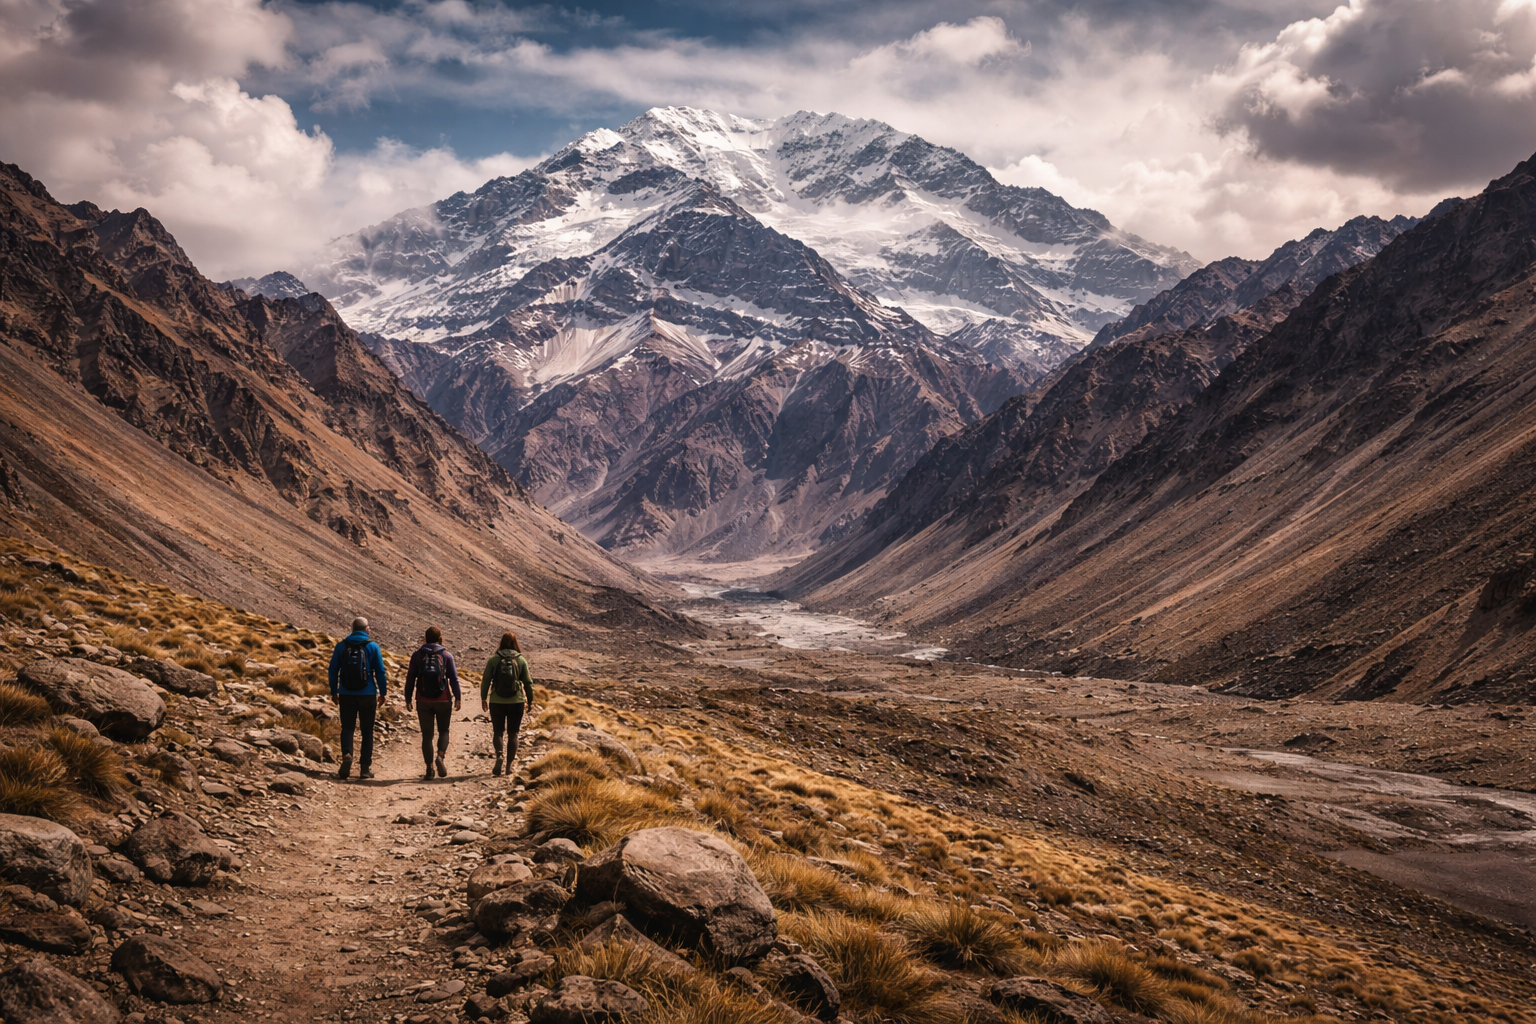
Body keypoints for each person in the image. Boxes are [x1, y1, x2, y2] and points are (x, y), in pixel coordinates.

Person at [328, 616, 387, 780]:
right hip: (367, 694)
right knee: (367, 731)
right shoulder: (373, 647)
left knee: (347, 728)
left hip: (346, 693)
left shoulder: (341, 646)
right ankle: (364, 769)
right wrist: (383, 692)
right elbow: (380, 672)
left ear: (353, 629)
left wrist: (334, 691)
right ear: (366, 629)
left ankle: (347, 754)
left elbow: (333, 670)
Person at [404, 626, 462, 780]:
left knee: (427, 736)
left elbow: (410, 678)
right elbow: (454, 679)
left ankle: (429, 768)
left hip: (423, 700)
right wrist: (458, 697)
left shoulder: (417, 655)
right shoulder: (446, 655)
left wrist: (408, 698)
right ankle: (440, 757)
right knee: (444, 731)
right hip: (443, 699)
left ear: (425, 638)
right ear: (439, 638)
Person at [481, 631, 534, 778]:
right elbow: (528, 683)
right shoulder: (521, 660)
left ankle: (499, 755)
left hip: (496, 700)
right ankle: (509, 767)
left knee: (498, 731)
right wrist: (530, 701)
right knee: (513, 733)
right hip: (516, 701)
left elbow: (485, 680)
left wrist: (483, 698)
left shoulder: (494, 660)